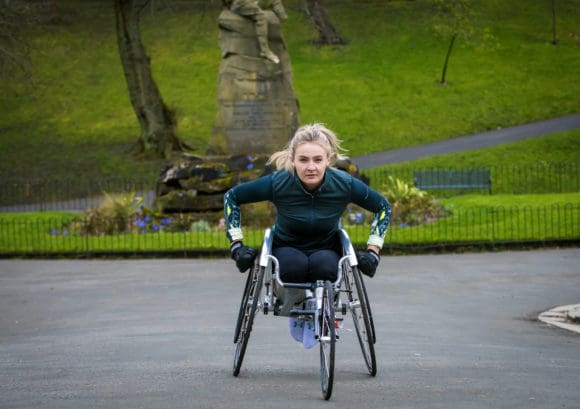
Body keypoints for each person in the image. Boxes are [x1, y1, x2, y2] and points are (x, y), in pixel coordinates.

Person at [223, 123, 391, 347]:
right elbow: (232, 197)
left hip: (326, 248)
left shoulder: (344, 184)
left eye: (317, 160)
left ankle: (321, 312)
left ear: (328, 160)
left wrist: (373, 251)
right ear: (292, 160)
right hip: (287, 247)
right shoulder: (279, 182)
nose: (311, 167)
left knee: (327, 268)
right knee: (293, 266)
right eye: (303, 160)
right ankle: (297, 311)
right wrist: (237, 245)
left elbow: (383, 207)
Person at [223, 0, 288, 64]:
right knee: (261, 17)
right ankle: (265, 51)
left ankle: (282, 17)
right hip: (240, 3)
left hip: (249, 2)